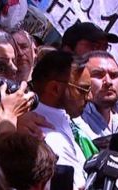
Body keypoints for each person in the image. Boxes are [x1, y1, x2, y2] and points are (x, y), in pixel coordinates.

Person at [31, 51, 93, 188]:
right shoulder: (46, 137)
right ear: (55, 88)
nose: (90, 97)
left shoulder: (64, 120)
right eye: (83, 90)